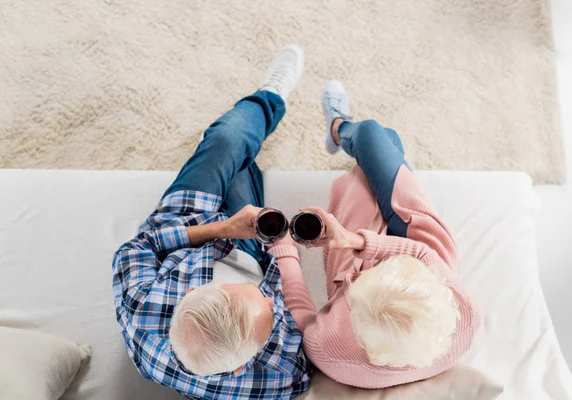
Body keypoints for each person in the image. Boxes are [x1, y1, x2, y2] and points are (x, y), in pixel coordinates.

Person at [112, 45, 312, 400]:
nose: (271, 301)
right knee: (237, 155)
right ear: (241, 367)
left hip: (187, 225)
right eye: (270, 307)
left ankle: (271, 94)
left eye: (251, 293)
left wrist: (222, 230)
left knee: (225, 138)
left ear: (191, 291)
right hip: (255, 253)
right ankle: (246, 140)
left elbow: (137, 247)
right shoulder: (280, 376)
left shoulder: (143, 317)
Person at [268, 80, 481, 389]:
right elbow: (421, 255)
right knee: (374, 136)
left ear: (357, 325)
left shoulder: (330, 350)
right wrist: (353, 240)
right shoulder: (466, 317)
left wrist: (283, 245)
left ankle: (342, 129)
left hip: (351, 268)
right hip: (421, 243)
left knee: (367, 159)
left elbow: (298, 303)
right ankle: (339, 128)